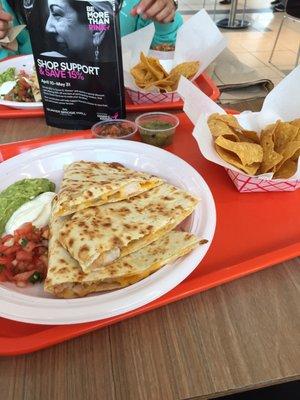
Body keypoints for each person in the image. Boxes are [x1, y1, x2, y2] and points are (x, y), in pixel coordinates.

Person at [0, 0, 182, 60]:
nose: (48, 27)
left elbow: (171, 60)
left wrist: (164, 19)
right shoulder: (8, 5)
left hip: (124, 117)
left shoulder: (135, 4)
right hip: (32, 120)